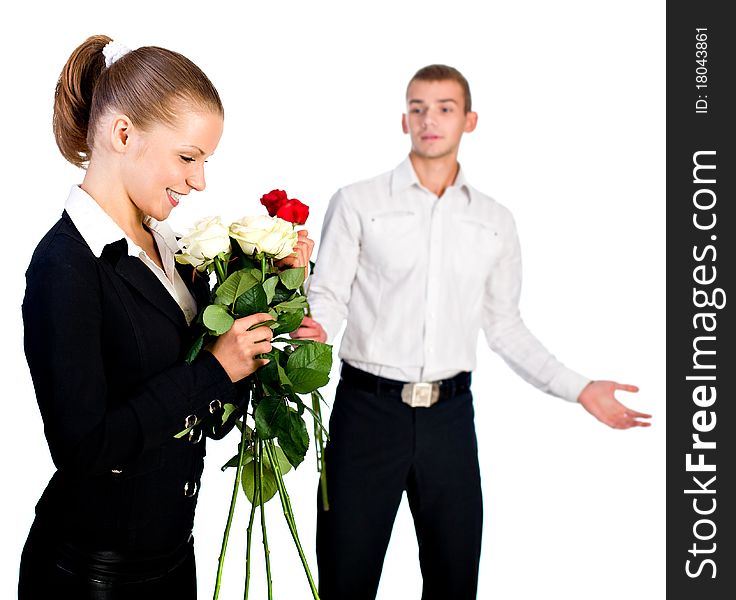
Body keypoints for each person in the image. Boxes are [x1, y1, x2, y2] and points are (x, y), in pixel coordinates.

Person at [292, 64, 652, 600]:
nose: (429, 120)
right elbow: (330, 298)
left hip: (450, 421)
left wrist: (579, 388)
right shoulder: (358, 202)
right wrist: (310, 333)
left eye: (444, 108)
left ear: (469, 120)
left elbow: (505, 326)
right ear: (403, 119)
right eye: (417, 108)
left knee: (456, 580)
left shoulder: (495, 221)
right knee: (346, 578)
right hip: (367, 416)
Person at [18, 35, 313, 599]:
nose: (199, 181)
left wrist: (275, 304)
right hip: (91, 578)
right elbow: (84, 450)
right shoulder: (65, 266)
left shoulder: (172, 249)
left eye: (204, 161)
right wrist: (214, 371)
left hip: (175, 561)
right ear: (123, 134)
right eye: (187, 157)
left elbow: (213, 411)